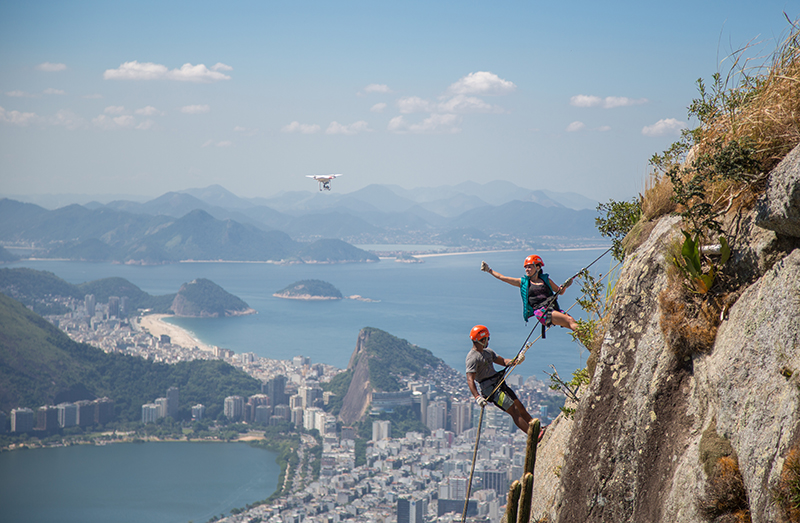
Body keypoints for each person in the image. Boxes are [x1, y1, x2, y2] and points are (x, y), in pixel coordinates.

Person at [465, 324, 535, 434]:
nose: (488, 341)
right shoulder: (472, 358)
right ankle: (533, 434)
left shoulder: (488, 352)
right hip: (491, 390)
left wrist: (516, 361)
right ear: (482, 339)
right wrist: (477, 397)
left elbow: (503, 362)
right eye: (487, 338)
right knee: (514, 411)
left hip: (499, 383)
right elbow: (470, 379)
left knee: (519, 407)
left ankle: (537, 428)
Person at [481, 254, 578, 332]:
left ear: (538, 267)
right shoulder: (523, 282)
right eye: (526, 267)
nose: (527, 269)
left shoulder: (546, 280)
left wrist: (565, 286)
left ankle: (592, 349)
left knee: (574, 323)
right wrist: (489, 270)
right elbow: (503, 278)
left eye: (530, 267)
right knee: (569, 321)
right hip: (542, 312)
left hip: (552, 309)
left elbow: (560, 292)